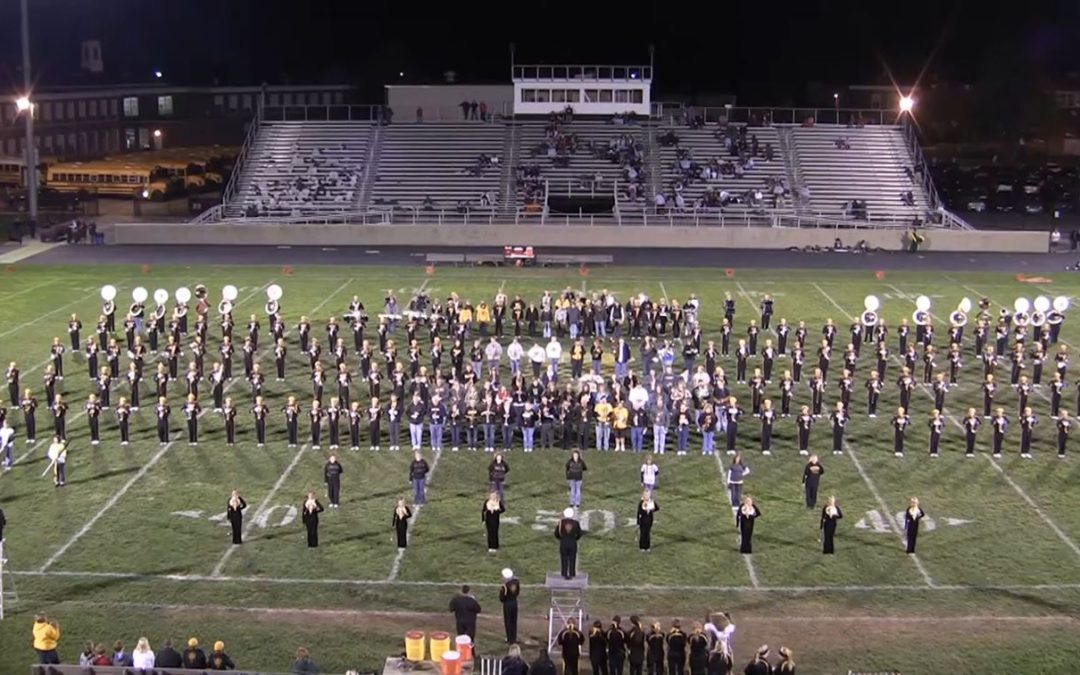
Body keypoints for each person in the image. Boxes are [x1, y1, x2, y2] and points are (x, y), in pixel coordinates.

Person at [556, 507, 583, 579]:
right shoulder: (576, 523)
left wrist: (561, 539)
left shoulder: (561, 522)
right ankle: (571, 573)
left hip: (563, 543)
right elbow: (579, 533)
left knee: (564, 558)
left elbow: (557, 533)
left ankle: (564, 573)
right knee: (572, 558)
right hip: (572, 542)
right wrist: (575, 539)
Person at [500, 567, 521, 644]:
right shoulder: (516, 582)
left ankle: (509, 639)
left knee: (508, 622)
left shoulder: (505, 587)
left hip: (507, 605)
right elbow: (517, 592)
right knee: (514, 621)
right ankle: (514, 638)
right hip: (514, 603)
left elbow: (502, 598)